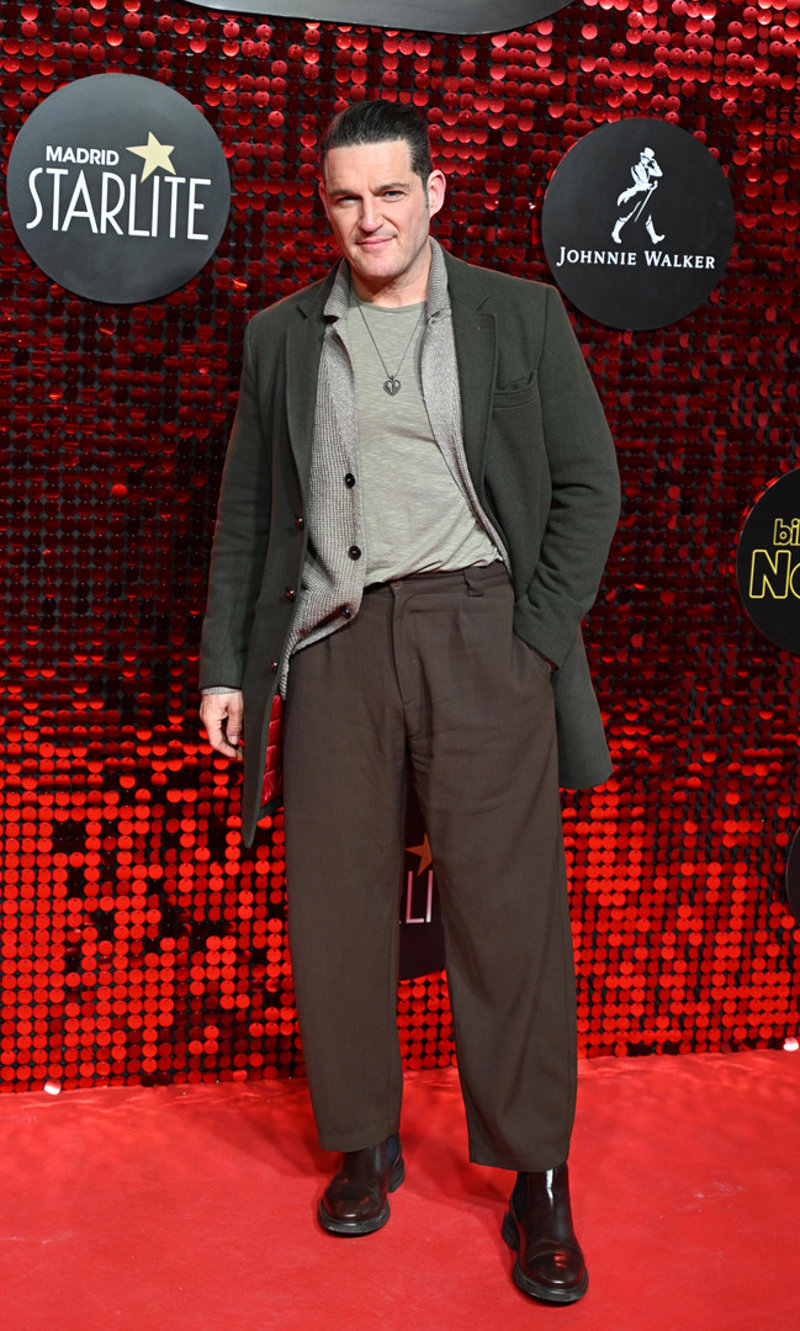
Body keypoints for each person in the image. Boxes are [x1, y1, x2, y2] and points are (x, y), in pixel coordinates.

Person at [199, 99, 620, 1306]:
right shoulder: (281, 336)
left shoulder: (516, 314)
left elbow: (588, 485)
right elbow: (247, 511)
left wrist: (533, 639)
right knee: (335, 908)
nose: (368, 218)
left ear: (433, 193)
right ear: (323, 205)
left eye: (390, 193)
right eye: (345, 198)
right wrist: (226, 666)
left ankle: (537, 1173)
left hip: (481, 633)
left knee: (507, 914)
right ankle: (361, 1140)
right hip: (333, 641)